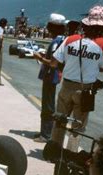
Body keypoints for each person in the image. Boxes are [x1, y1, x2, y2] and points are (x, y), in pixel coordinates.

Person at [47, 6, 103, 152]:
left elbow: (54, 62)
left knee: (60, 121)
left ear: (86, 24)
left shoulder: (71, 40)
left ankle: (53, 151)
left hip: (66, 86)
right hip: (85, 89)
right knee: (79, 126)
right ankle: (70, 154)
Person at [33, 13, 66, 143]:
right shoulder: (61, 39)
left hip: (50, 76)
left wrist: (39, 57)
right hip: (54, 76)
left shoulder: (55, 42)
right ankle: (45, 131)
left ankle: (45, 134)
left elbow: (53, 63)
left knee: (48, 105)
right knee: (49, 103)